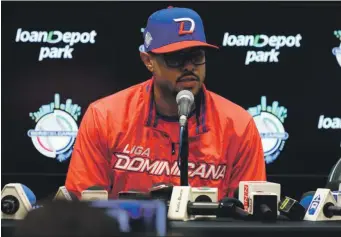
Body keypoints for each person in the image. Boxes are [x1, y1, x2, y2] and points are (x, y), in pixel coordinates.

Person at [65, 6, 266, 201]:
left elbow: (250, 216)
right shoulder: (104, 118)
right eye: (175, 58)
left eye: (196, 57)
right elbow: (83, 212)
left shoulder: (238, 126)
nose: (189, 67)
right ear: (148, 60)